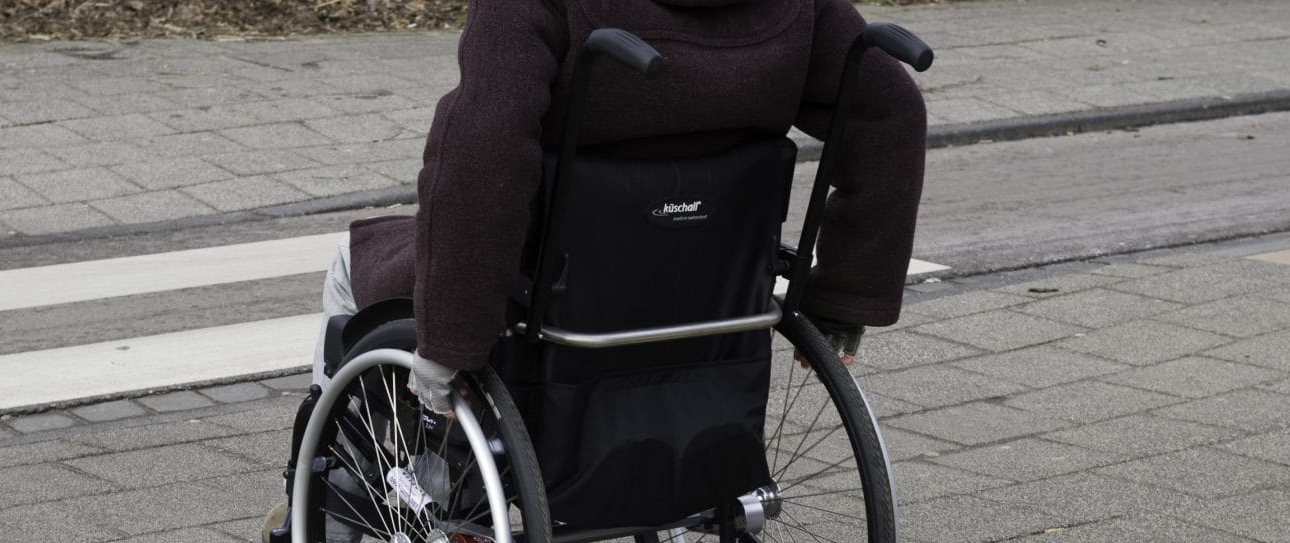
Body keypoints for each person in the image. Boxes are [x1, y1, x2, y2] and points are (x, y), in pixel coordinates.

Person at [311, 0, 928, 412]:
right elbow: (888, 112)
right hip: (714, 294)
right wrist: (846, 297)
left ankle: (343, 510)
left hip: (554, 293)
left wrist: (450, 343)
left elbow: (483, 150)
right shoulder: (800, 8)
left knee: (354, 259)